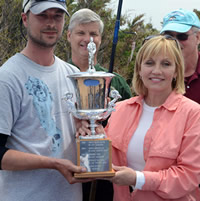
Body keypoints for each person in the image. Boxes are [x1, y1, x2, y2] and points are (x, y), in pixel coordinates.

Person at [77, 35, 200, 200]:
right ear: (139, 70)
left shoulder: (193, 114)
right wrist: (91, 133)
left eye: (166, 64)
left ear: (177, 71)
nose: (156, 70)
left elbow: (189, 176)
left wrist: (138, 179)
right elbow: (103, 160)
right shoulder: (119, 109)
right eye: (149, 63)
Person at [0, 1, 89, 201]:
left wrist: (89, 131)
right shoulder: (8, 77)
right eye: (42, 15)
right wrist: (54, 163)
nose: (51, 23)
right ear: (25, 19)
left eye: (57, 16)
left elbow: (81, 129)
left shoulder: (73, 74)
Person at [67, 8, 132, 101]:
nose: (87, 39)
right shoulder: (59, 76)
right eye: (81, 33)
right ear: (69, 36)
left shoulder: (117, 83)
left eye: (93, 34)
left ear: (100, 38)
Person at [160, 8, 200, 104]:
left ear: (198, 37)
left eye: (182, 36)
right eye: (168, 37)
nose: (175, 42)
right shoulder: (156, 72)